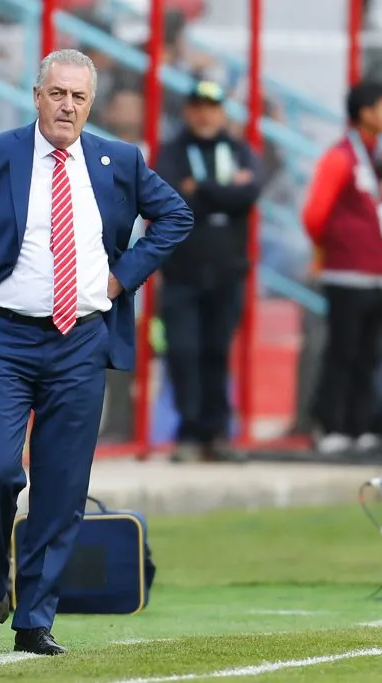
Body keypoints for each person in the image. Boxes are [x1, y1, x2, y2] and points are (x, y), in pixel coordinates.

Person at [0, 48, 194, 655]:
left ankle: (34, 619)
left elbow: (175, 215)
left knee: (62, 486)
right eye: (58, 93)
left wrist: (122, 278)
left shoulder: (118, 160)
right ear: (37, 96)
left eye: (79, 96)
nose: (67, 105)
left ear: (89, 104)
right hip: (0, 337)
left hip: (81, 338)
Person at [155, 80, 263, 463]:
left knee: (217, 352)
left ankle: (217, 434)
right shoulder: (172, 151)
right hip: (182, 273)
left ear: (222, 112)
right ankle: (189, 431)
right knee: (184, 352)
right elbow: (171, 197)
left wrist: (201, 189)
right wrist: (222, 193)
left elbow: (249, 194)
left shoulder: (239, 150)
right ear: (187, 111)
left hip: (227, 273)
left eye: (212, 106)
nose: (204, 114)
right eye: (198, 106)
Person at [301, 80, 382, 455]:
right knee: (342, 352)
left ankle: (360, 427)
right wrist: (333, 249)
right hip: (347, 274)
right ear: (366, 113)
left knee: (369, 355)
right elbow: (314, 214)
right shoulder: (341, 157)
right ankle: (332, 427)